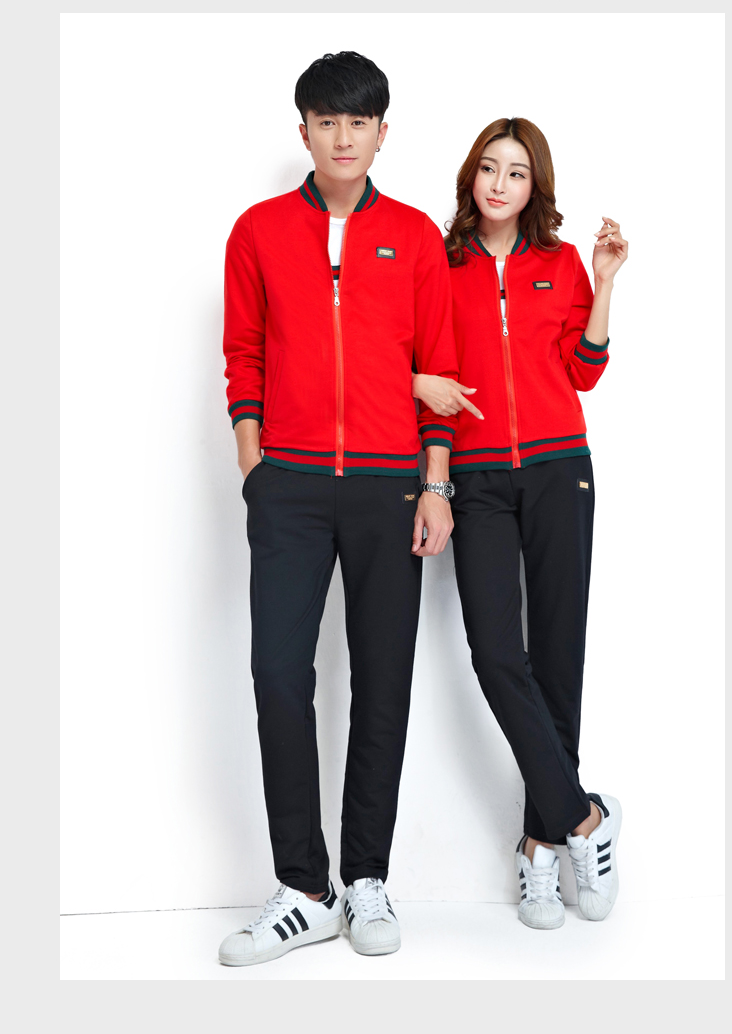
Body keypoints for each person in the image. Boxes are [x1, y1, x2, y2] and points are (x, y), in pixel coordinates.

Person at [219, 52, 465, 966]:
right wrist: (255, 464)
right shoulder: (257, 231)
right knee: (279, 677)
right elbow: (244, 351)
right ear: (305, 132)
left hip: (388, 483)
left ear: (382, 132)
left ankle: (365, 876)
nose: (343, 137)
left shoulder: (413, 236)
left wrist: (435, 484)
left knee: (383, 681)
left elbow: (438, 365)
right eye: (327, 121)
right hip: (287, 486)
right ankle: (304, 889)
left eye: (359, 121)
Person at [413, 117, 628, 930]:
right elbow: (429, 373)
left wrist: (603, 283)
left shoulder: (560, 262)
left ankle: (540, 846)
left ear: (535, 185)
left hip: (559, 468)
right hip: (476, 479)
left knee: (559, 656)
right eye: (489, 169)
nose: (500, 185)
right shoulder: (442, 265)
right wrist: (434, 470)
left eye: (516, 173)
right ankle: (585, 819)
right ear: (471, 177)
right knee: (498, 653)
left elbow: (585, 370)